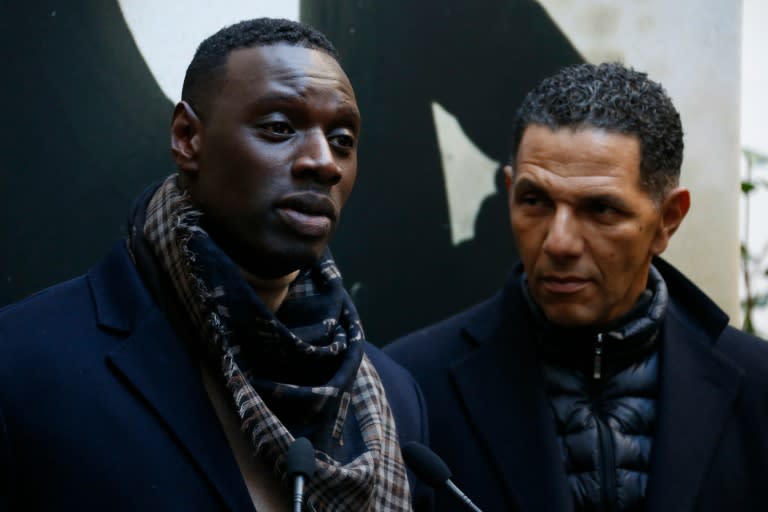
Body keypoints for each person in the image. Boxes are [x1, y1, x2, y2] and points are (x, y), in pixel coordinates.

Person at [0, 18, 429, 511]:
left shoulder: (395, 400)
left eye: (342, 140)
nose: (324, 161)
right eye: (280, 128)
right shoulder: (25, 369)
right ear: (187, 137)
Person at [386, 62, 768, 512]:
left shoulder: (758, 389)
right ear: (509, 192)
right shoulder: (409, 388)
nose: (559, 242)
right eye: (534, 201)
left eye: (601, 209)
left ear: (668, 220)